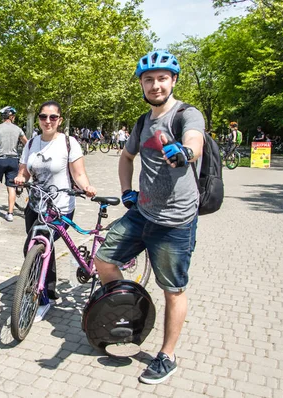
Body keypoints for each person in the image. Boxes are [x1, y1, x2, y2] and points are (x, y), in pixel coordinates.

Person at [93, 50, 205, 385]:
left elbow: (194, 140)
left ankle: (167, 355)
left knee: (173, 289)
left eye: (161, 78)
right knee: (103, 258)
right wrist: (126, 190)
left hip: (176, 223)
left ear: (173, 80)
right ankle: (125, 306)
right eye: (148, 79)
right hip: (142, 213)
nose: (155, 85)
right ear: (141, 84)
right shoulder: (143, 122)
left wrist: (185, 152)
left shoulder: (187, 114)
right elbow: (126, 157)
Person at [14, 100, 96, 321]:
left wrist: (86, 187)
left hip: (60, 208)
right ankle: (48, 291)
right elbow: (24, 171)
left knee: (39, 246)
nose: (47, 121)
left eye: (52, 117)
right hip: (35, 207)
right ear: (38, 119)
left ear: (59, 120)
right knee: (37, 249)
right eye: (43, 117)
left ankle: (42, 300)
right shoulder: (31, 143)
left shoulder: (69, 143)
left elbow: (78, 174)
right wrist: (21, 178)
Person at [0, 106, 27, 221]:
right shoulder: (18, 129)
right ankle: (10, 213)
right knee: (11, 187)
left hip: (1, 159)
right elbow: (27, 143)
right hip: (13, 160)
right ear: (12, 117)